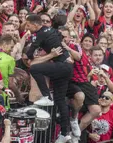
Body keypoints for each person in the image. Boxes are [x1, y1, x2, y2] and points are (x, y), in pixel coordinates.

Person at [25, 14, 74, 142]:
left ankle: (46, 96)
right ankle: (65, 133)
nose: (27, 27)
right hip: (67, 68)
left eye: (28, 25)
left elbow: (29, 54)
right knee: (60, 100)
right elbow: (59, 37)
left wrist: (35, 54)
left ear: (35, 24)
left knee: (34, 69)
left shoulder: (40, 33)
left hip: (62, 66)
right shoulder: (52, 30)